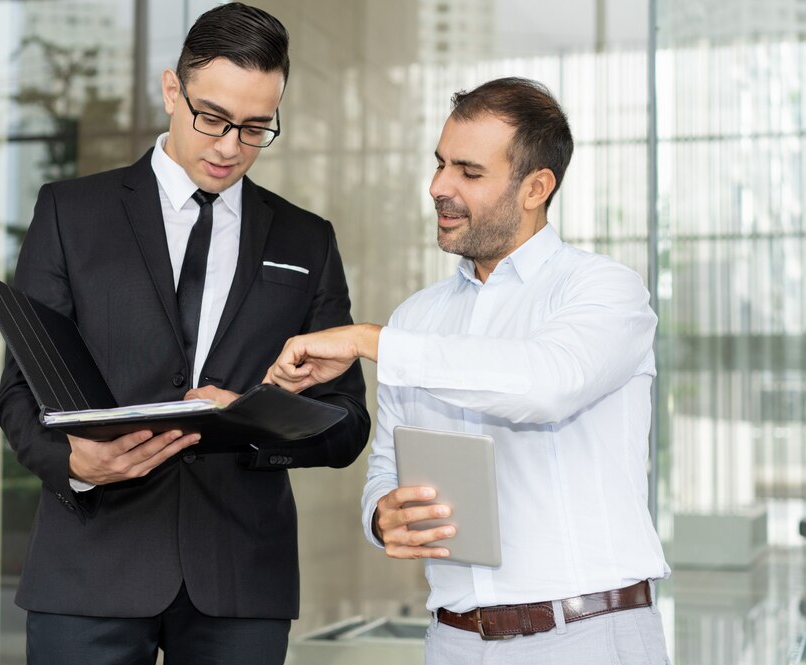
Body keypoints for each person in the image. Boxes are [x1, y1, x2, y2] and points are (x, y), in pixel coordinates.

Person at [0, 5, 370, 664]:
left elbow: (346, 422)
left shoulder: (307, 240)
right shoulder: (69, 212)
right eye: (213, 118)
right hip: (88, 568)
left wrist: (256, 417)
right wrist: (75, 464)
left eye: (256, 127)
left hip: (241, 577)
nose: (230, 146)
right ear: (172, 90)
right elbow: (20, 393)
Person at [265, 77, 671, 664]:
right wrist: (382, 516)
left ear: (536, 187)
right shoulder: (417, 319)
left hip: (589, 635)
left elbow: (545, 384)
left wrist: (368, 340)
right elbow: (387, 465)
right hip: (453, 640)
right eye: (439, 164)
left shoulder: (604, 291)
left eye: (469, 173)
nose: (438, 188)